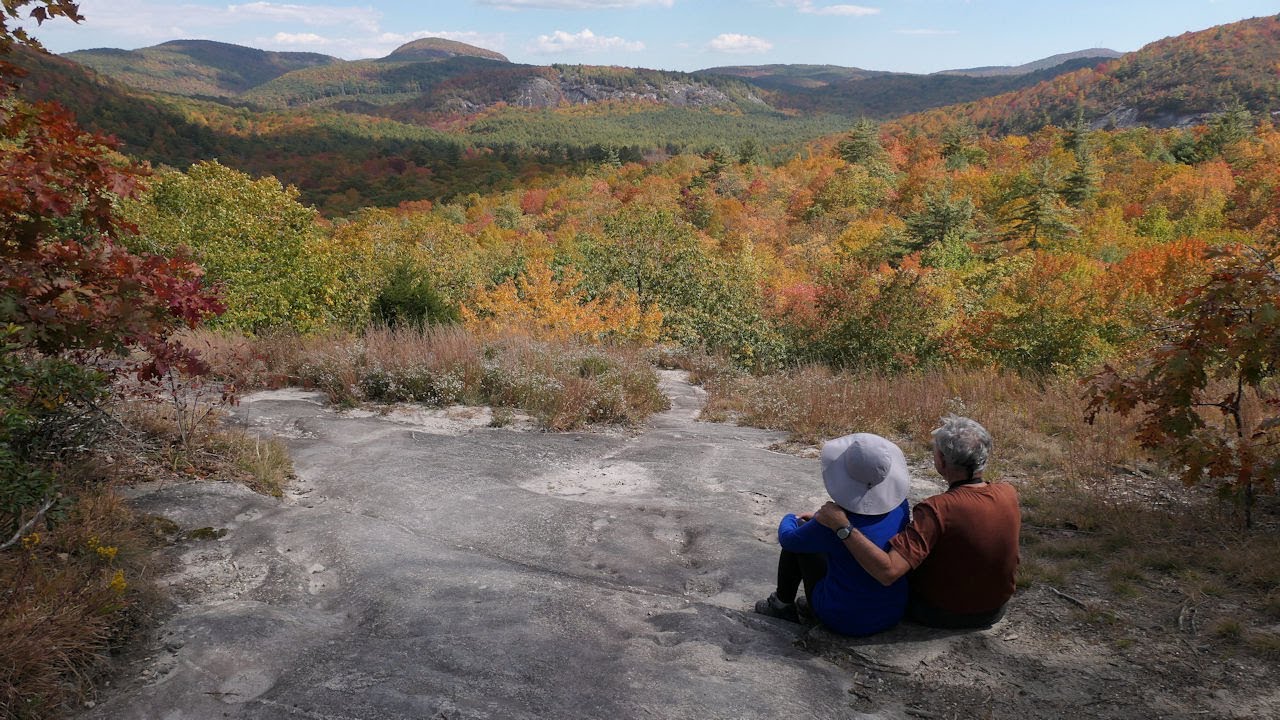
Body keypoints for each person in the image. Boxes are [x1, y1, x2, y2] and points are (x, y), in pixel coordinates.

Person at [815, 415, 1019, 629]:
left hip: (942, 612)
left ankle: (815, 605)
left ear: (941, 460)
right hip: (996, 608)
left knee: (838, 552)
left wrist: (842, 526)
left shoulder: (937, 510)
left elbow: (888, 572)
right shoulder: (1008, 492)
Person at [754, 433, 911, 636]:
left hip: (842, 618)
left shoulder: (834, 524)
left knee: (801, 538)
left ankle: (782, 604)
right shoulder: (901, 507)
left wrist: (791, 518)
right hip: (891, 611)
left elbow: (789, 540)